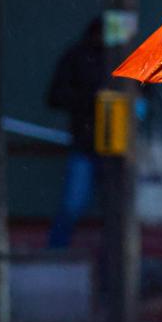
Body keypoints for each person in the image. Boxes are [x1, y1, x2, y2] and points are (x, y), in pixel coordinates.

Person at [46, 17, 106, 248]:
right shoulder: (79, 57)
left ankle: (113, 258)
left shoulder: (122, 57)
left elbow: (146, 95)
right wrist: (90, 99)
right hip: (87, 143)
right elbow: (55, 96)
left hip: (113, 145)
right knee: (72, 205)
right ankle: (56, 252)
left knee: (116, 209)